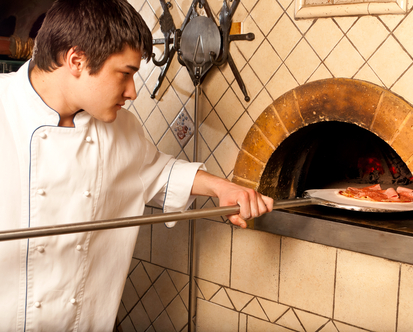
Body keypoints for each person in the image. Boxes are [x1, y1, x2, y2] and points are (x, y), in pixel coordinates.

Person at [0, 0, 273, 330]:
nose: (132, 92)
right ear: (76, 60)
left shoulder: (122, 128)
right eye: (125, 74)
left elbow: (157, 173)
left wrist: (221, 187)